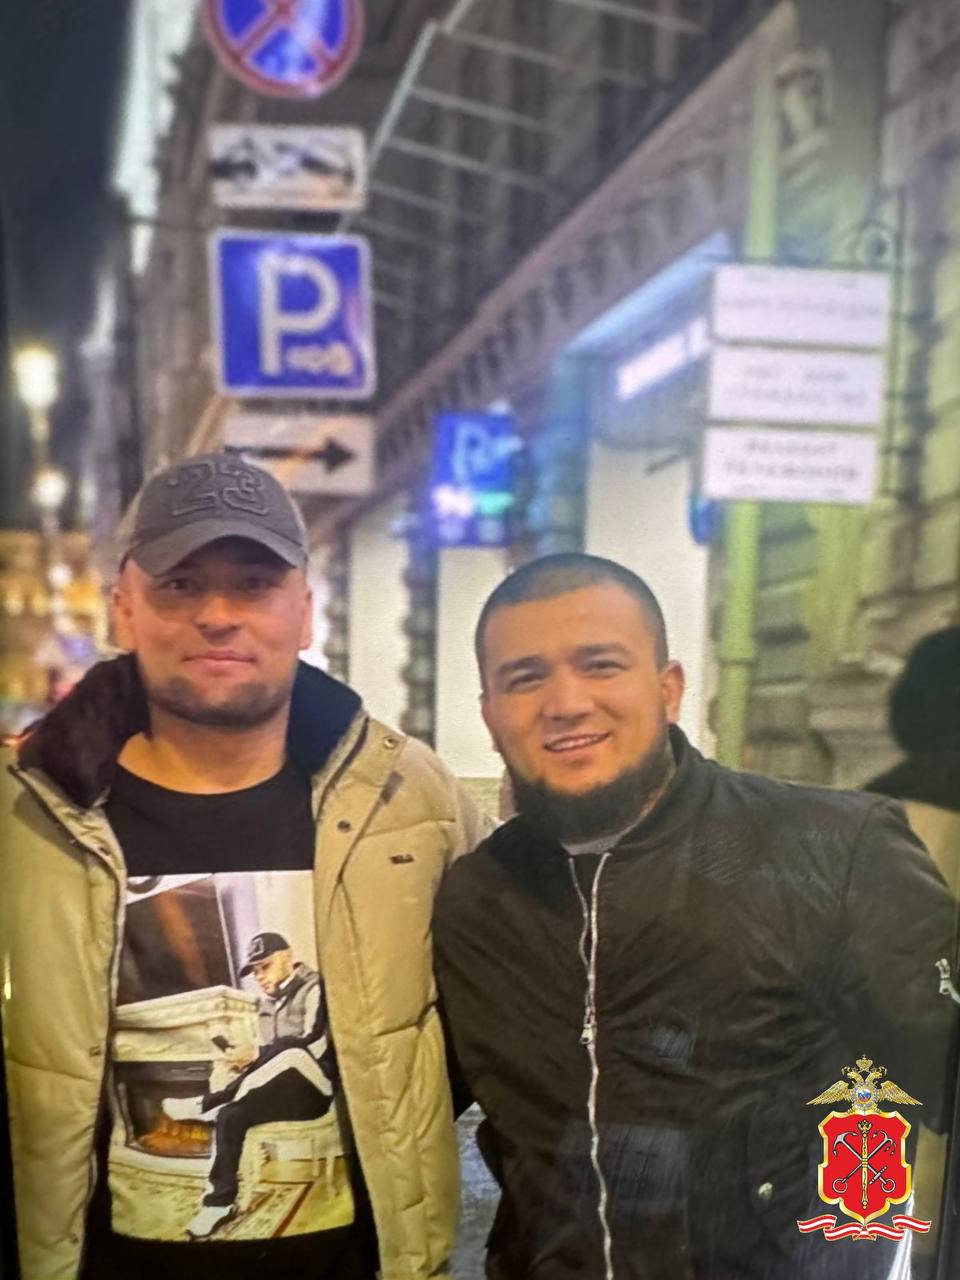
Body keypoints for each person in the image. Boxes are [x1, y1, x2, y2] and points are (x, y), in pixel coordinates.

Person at [0, 452, 487, 1280]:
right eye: (180, 585)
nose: (219, 616)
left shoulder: (407, 796)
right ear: (124, 609)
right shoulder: (29, 815)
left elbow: (488, 1008)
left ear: (305, 612)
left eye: (254, 585)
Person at [433, 552, 959, 1280]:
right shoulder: (475, 901)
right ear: (491, 715)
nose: (566, 702)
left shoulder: (835, 855)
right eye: (525, 678)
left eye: (601, 665)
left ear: (669, 689)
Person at [162, 931, 336, 1240]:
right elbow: (270, 1063)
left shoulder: (315, 987)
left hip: (315, 1089)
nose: (259, 976)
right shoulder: (264, 1006)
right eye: (254, 971)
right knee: (231, 1115)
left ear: (288, 956)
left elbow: (316, 1045)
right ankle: (217, 1205)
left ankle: (207, 1103)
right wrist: (244, 1061)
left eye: (264, 966)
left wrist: (256, 1055)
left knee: (289, 1048)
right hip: (281, 1091)